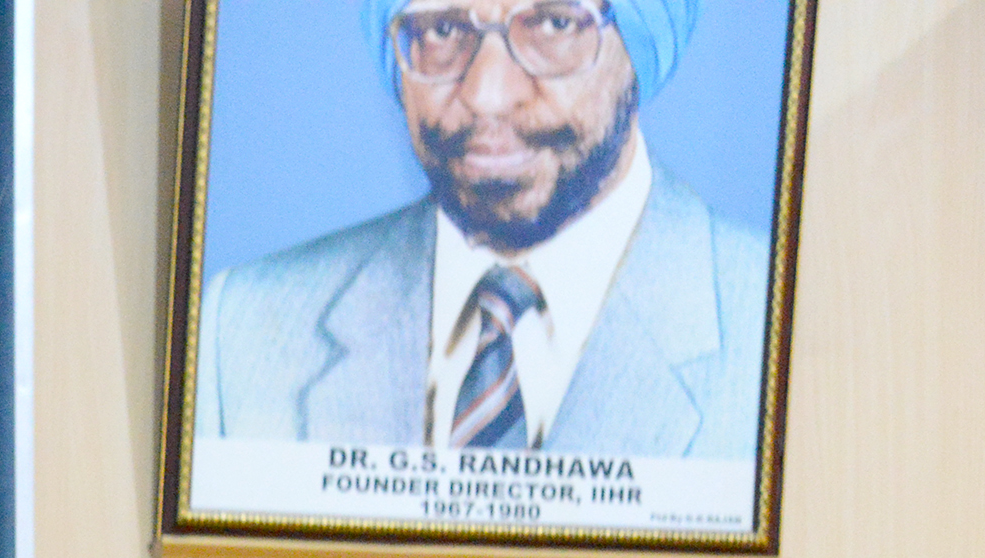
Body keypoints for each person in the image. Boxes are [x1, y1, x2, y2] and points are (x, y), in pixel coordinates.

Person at [193, 0, 768, 458]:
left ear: (639, 48)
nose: (487, 94)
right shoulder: (241, 331)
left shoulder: (776, 327)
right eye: (442, 30)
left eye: (554, 23)